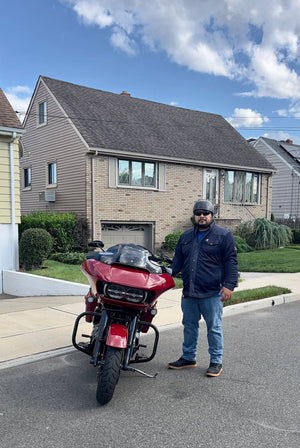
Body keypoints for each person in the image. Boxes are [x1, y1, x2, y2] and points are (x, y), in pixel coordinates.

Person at [168, 199, 238, 377]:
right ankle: (188, 357)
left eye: (205, 213)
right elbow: (177, 262)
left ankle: (216, 361)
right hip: (190, 291)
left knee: (214, 327)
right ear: (194, 215)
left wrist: (229, 285)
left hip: (212, 292)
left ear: (212, 215)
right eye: (198, 213)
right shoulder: (186, 236)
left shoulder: (223, 235)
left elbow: (231, 261)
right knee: (189, 326)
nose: (201, 216)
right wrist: (166, 274)